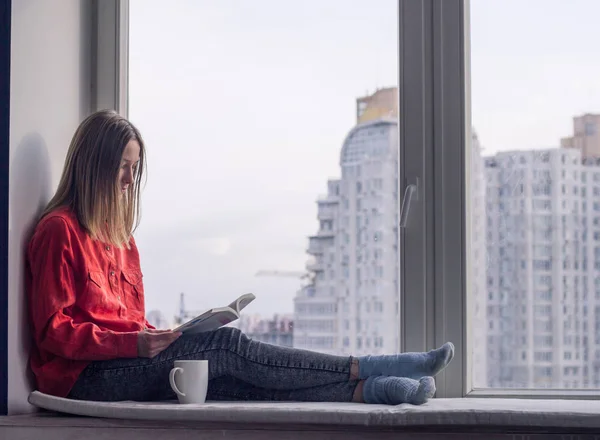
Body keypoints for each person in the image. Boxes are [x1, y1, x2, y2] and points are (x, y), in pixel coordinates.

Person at [27, 110, 455, 405]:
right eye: (121, 166)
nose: (128, 179)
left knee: (228, 377)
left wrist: (165, 336)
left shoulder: (122, 242)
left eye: (134, 168)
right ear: (92, 165)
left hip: (124, 364)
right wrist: (136, 343)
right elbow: (52, 331)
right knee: (226, 346)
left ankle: (375, 390)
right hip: (81, 380)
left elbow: (129, 325)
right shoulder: (58, 230)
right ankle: (375, 365)